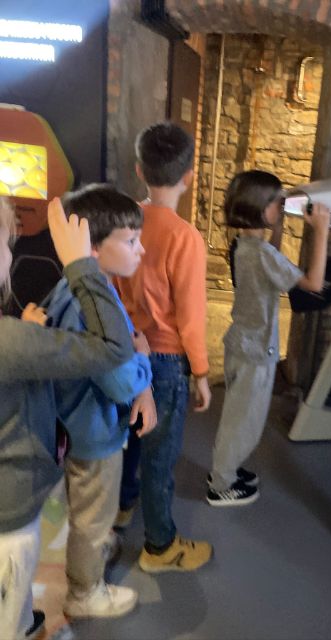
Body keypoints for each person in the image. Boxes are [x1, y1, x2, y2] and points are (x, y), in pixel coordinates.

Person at [0, 196, 135, 640]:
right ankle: (49, 610)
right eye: (6, 243)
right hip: (12, 515)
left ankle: (22, 622)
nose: (11, 253)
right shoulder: (13, 339)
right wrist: (81, 267)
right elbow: (115, 353)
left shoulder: (18, 336)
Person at [42, 184, 157, 618]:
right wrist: (143, 362)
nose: (140, 250)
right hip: (93, 432)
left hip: (78, 424)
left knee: (89, 506)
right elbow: (120, 381)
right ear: (90, 247)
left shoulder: (78, 290)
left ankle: (92, 549)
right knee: (92, 513)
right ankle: (84, 591)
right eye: (130, 241)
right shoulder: (89, 305)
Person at [115, 122, 213, 572]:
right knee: (159, 454)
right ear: (189, 176)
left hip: (123, 349)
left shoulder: (124, 221)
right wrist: (202, 372)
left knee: (126, 437)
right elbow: (191, 317)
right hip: (165, 360)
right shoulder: (185, 237)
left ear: (140, 170)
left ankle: (122, 505)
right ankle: (160, 546)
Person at [207, 170, 331, 506]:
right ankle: (221, 485)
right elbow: (314, 283)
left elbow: (272, 258)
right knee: (243, 423)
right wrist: (321, 232)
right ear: (262, 210)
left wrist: (280, 222)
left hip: (240, 345)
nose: (282, 207)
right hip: (256, 352)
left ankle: (225, 471)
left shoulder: (243, 246)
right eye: (278, 203)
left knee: (236, 415)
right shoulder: (263, 255)